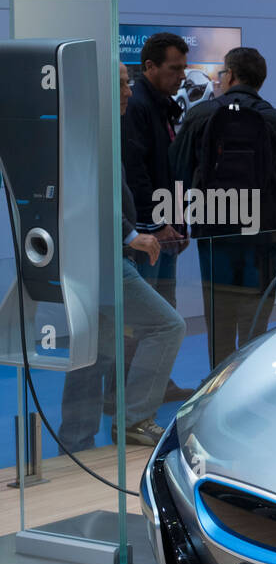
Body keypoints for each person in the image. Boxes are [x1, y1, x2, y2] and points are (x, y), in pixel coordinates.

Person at [59, 64, 186, 449]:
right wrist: (132, 235)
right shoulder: (86, 137)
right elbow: (88, 197)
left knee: (93, 354)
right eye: (120, 84)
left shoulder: (94, 132)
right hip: (102, 260)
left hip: (94, 259)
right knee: (168, 326)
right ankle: (132, 420)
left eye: (128, 83)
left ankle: (75, 442)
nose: (128, 91)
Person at [170, 47, 276, 366]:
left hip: (214, 230)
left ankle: (215, 389)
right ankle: (248, 384)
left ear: (230, 75)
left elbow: (176, 171)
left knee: (219, 318)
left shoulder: (200, 115)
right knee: (256, 317)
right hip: (266, 233)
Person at [121, 31, 192, 401]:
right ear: (149, 66)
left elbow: (171, 171)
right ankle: (132, 395)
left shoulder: (162, 104)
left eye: (183, 68)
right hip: (148, 232)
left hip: (164, 227)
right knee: (149, 320)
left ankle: (156, 385)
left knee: (166, 312)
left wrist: (180, 222)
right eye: (174, 68)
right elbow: (135, 173)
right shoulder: (138, 106)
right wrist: (158, 223)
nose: (181, 76)